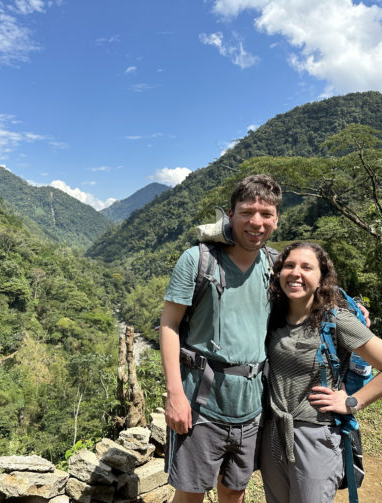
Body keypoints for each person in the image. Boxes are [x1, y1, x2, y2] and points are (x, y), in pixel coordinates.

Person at [159, 174, 282, 503]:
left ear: (276, 219)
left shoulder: (275, 265)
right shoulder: (198, 260)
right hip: (201, 403)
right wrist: (174, 395)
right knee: (190, 494)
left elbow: (311, 298)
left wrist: (350, 314)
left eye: (266, 214)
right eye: (247, 212)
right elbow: (169, 325)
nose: (256, 222)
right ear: (231, 214)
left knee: (235, 491)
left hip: (252, 406)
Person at [259, 241, 382, 503]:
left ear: (321, 279)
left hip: (317, 435)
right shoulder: (272, 315)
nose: (296, 273)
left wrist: (353, 401)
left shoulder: (336, 319)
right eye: (289, 266)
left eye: (307, 267)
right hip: (274, 434)